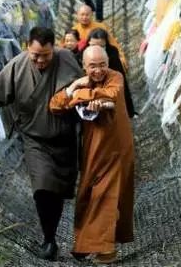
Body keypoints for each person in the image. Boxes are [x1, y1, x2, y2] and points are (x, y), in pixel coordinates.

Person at [0, 27, 83, 261]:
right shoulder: (18, 65)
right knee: (42, 187)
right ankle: (49, 240)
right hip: (35, 139)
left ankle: (51, 233)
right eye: (35, 55)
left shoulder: (65, 59)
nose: (40, 61)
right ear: (27, 48)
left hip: (65, 140)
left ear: (54, 48)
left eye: (45, 56)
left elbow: (84, 91)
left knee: (57, 191)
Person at [49, 45, 135, 264]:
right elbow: (55, 105)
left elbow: (111, 95)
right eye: (93, 66)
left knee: (106, 196)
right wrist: (75, 87)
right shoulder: (81, 81)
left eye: (102, 65)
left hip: (115, 148)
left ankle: (106, 250)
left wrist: (79, 96)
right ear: (84, 66)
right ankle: (85, 244)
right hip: (92, 150)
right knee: (87, 194)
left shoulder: (115, 77)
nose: (98, 71)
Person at [86, 27, 136, 117]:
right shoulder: (83, 54)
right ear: (88, 43)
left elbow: (122, 83)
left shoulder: (112, 53)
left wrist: (130, 110)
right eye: (93, 46)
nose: (97, 50)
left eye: (101, 46)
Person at [72, 4, 128, 70]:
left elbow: (112, 43)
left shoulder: (101, 27)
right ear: (77, 15)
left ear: (92, 15)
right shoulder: (74, 30)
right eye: (82, 15)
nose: (84, 17)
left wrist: (121, 57)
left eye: (87, 15)